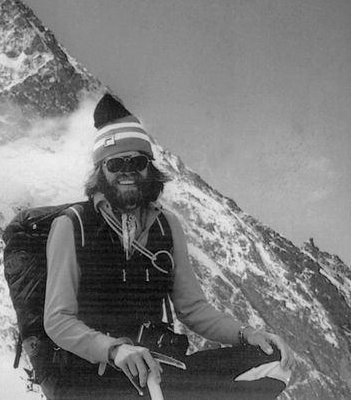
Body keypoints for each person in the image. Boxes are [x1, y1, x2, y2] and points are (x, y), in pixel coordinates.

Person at [37, 93, 293, 399]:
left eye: (137, 161)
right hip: (90, 374)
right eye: (116, 163)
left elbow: (193, 308)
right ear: (101, 172)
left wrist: (246, 334)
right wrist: (115, 349)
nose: (127, 171)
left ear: (150, 168)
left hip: (156, 365)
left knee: (272, 361)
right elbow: (58, 320)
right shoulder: (72, 225)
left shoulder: (166, 226)